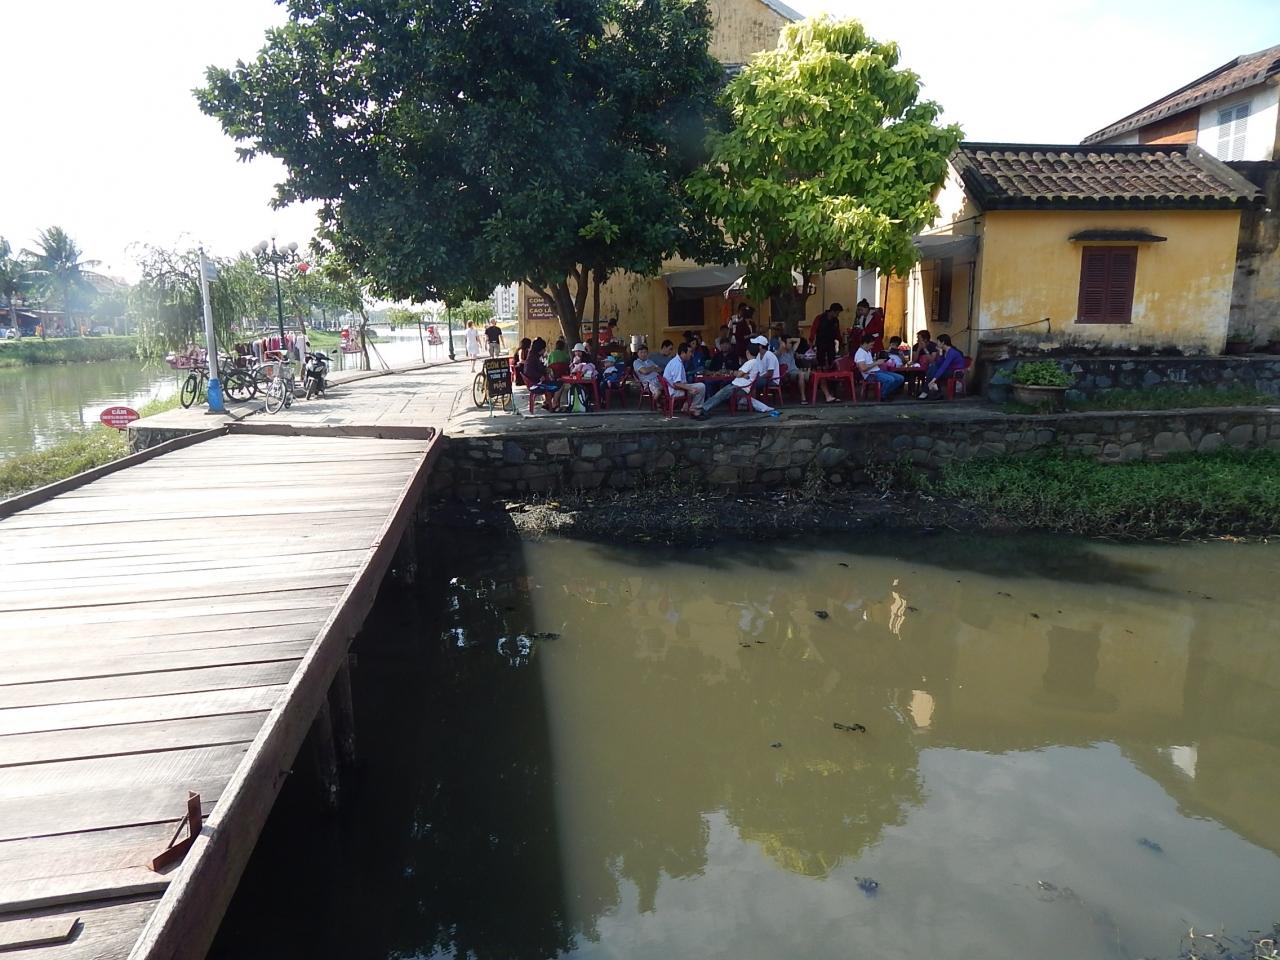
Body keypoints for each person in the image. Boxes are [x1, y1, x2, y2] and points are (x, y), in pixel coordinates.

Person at [701, 343, 780, 417]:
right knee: (721, 393)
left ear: (747, 352)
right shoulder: (756, 362)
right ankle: (705, 408)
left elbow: (739, 374)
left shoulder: (750, 362)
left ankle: (704, 408)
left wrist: (732, 372)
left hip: (738, 387)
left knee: (719, 395)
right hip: (741, 387)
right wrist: (743, 375)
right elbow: (745, 375)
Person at [854, 332, 905, 400]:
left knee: (900, 378)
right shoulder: (860, 353)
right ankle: (882, 395)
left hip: (877, 371)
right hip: (870, 374)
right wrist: (876, 363)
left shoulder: (867, 351)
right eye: (871, 345)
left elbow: (870, 363)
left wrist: (879, 361)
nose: (872, 347)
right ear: (865, 343)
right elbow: (863, 368)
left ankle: (884, 393)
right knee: (890, 379)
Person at [663, 342, 706, 415]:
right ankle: (695, 409)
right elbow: (676, 384)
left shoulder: (677, 361)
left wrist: (689, 387)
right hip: (675, 391)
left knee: (696, 386)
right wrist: (690, 389)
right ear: (683, 353)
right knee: (701, 387)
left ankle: (686, 407)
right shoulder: (677, 364)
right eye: (690, 352)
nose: (691, 354)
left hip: (674, 388)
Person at [920, 333, 966, 400]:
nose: (937, 344)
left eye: (938, 342)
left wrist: (933, 380)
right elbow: (939, 364)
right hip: (949, 370)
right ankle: (932, 391)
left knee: (934, 369)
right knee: (933, 366)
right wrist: (941, 353)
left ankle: (927, 391)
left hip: (957, 372)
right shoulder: (945, 351)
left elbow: (943, 367)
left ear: (943, 342)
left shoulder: (952, 352)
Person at [523, 338, 561, 410]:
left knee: (552, 382)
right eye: (544, 348)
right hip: (536, 385)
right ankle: (554, 404)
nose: (545, 350)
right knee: (560, 384)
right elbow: (530, 371)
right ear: (540, 349)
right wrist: (540, 375)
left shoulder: (532, 356)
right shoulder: (534, 358)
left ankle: (547, 402)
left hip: (533, 383)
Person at [813, 303, 843, 371]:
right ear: (832, 311)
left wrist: (840, 342)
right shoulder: (820, 318)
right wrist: (811, 340)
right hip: (821, 342)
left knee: (832, 360)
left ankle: (831, 374)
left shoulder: (835, 320)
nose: (838, 315)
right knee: (821, 360)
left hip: (831, 343)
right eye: (837, 313)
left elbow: (837, 332)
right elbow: (814, 329)